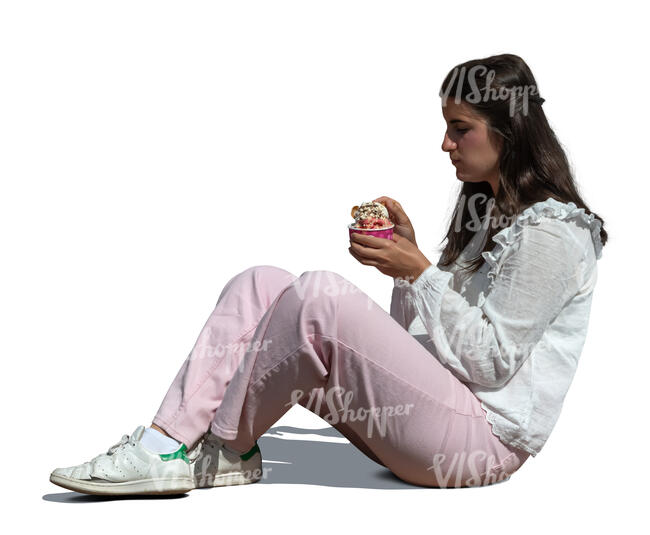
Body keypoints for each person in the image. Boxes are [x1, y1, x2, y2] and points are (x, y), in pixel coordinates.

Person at [49, 53, 608, 494]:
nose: (446, 143)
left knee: (318, 295)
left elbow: (489, 364)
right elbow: (425, 349)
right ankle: (163, 443)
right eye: (447, 127)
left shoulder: (553, 231)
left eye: (461, 128)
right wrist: (406, 268)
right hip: (434, 419)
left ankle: (224, 448)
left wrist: (420, 274)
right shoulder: (487, 214)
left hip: (480, 444)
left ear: (508, 130)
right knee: (261, 282)